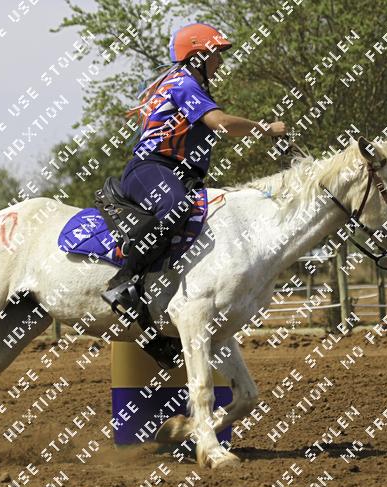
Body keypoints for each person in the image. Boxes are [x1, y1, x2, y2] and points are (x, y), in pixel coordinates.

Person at [101, 23, 287, 314]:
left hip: (176, 173)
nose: (221, 61)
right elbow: (221, 124)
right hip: (149, 168)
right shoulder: (183, 84)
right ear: (198, 57)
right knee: (175, 206)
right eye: (216, 54)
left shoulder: (190, 85)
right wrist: (267, 129)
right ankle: (123, 281)